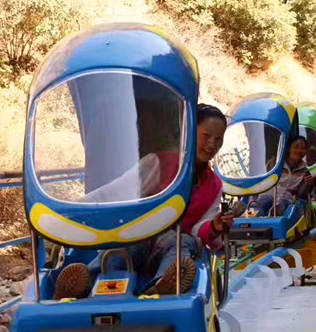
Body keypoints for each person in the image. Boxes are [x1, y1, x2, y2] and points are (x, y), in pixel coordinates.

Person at [52, 104, 233, 299]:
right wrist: (66, 216)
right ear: (189, 133)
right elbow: (113, 193)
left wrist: (215, 226)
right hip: (139, 235)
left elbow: (200, 229)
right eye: (206, 136)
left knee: (182, 241)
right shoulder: (158, 163)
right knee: (123, 244)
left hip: (171, 246)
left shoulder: (214, 185)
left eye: (218, 140)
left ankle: (163, 285)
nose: (212, 145)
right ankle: (84, 282)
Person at [248, 135, 313, 217]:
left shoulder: (305, 171)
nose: (299, 150)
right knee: (258, 204)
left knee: (281, 205)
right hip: (269, 194)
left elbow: (302, 195)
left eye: (303, 148)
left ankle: (272, 219)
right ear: (289, 148)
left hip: (287, 199)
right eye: (296, 147)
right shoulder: (275, 163)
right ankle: (250, 220)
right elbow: (261, 180)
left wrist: (309, 185)